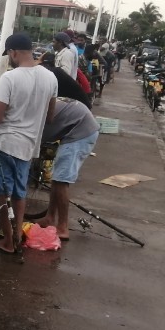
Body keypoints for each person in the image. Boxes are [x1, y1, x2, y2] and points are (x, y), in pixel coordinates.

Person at [0, 33, 57, 254]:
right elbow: (50, 116)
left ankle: (8, 241)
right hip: (28, 146)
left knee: (3, 195)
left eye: (9, 54)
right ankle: (17, 236)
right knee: (19, 193)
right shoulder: (50, 78)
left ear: (13, 52)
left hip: (5, 144)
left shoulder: (9, 78)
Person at [33, 98, 100, 240]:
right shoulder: (37, 102)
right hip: (79, 126)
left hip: (80, 132)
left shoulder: (33, 113)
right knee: (57, 178)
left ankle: (63, 227)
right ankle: (50, 217)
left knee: (62, 180)